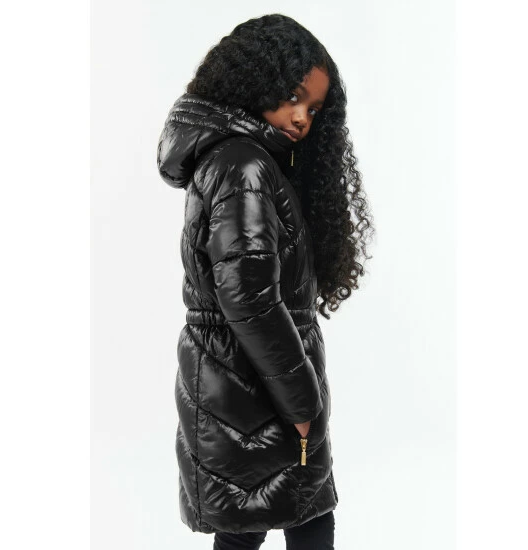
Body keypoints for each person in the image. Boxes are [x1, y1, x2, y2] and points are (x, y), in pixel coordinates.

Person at [156, 13, 374, 550]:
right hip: (251, 387)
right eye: (294, 97)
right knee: (295, 523)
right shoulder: (243, 167)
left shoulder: (241, 160)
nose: (302, 117)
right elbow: (249, 301)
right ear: (256, 81)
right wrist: (303, 404)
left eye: (314, 109)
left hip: (241, 383)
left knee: (253, 527)